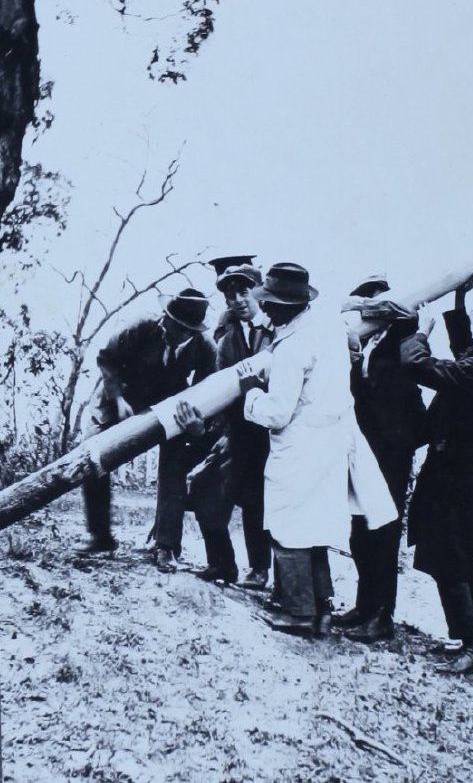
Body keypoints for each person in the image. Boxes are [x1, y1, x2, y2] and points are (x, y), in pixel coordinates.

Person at [237, 263, 397, 637]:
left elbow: (276, 413)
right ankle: (321, 609)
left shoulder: (294, 347)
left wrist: (251, 393)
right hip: (329, 442)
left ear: (287, 306)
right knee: (313, 527)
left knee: (287, 527)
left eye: (272, 304)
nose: (267, 310)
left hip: (299, 445)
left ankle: (298, 612)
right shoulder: (326, 329)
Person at [399, 281, 473, 673]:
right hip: (471, 470)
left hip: (455, 472)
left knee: (448, 555)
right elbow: (465, 346)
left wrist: (420, 333)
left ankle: (470, 643)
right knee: (472, 553)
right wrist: (460, 297)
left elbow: (420, 365)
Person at [79, 290, 217, 573]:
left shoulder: (205, 349)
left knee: (174, 464)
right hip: (118, 391)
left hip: (168, 401)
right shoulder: (141, 325)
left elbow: (207, 392)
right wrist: (118, 399)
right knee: (91, 453)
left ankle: (166, 545)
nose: (169, 329)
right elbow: (106, 358)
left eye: (180, 328)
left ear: (192, 331)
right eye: (169, 320)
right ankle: (100, 537)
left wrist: (196, 423)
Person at [338, 281, 426, 642]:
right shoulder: (365, 344)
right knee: (360, 531)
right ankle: (364, 605)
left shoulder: (404, 332)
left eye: (374, 305)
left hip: (393, 447)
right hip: (365, 446)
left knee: (385, 532)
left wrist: (364, 303)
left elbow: (403, 312)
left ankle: (382, 615)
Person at [189, 263, 273, 588]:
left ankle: (260, 569)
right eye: (230, 294)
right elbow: (219, 388)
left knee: (258, 500)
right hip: (238, 430)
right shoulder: (228, 341)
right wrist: (208, 428)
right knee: (204, 485)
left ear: (259, 291)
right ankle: (222, 564)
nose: (237, 300)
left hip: (272, 430)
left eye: (244, 291)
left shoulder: (278, 331)